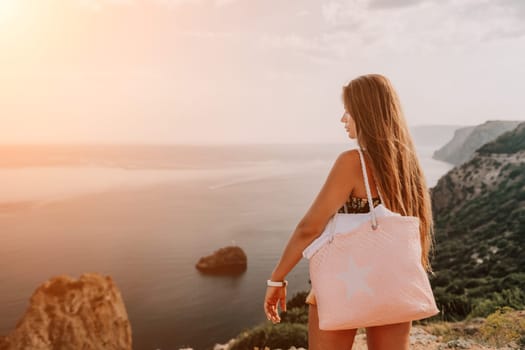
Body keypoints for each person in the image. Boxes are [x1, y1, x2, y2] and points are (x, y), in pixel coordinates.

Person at [263, 73, 435, 350]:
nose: (343, 119)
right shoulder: (408, 167)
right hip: (394, 282)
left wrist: (277, 278)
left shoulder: (353, 162)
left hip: (345, 282)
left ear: (364, 113)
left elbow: (310, 227)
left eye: (348, 111)